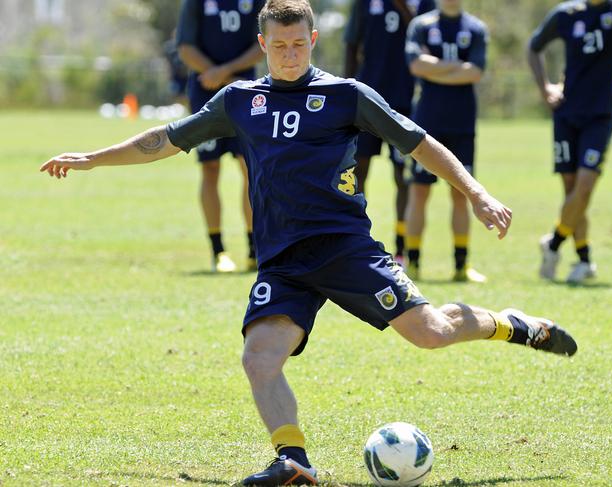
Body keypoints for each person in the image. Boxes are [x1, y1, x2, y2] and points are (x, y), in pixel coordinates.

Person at [41, 0, 578, 484]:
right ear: (263, 46)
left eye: (299, 43)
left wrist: (477, 192)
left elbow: (419, 143)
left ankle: (514, 324)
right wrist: (92, 158)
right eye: (279, 46)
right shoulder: (239, 101)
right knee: (260, 357)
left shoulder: (346, 96)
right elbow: (164, 139)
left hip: (346, 248)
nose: (290, 54)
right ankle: (292, 460)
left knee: (431, 333)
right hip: (282, 261)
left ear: (313, 39)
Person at [527, 0, 612, 283]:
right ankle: (584, 260)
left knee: (584, 187)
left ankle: (553, 243)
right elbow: (534, 47)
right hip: (566, 113)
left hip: (599, 115)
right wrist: (545, 88)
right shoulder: (566, 14)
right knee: (571, 190)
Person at [177, 0, 266, 272]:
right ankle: (219, 251)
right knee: (210, 168)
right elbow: (185, 47)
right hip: (205, 90)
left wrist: (225, 73)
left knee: (249, 168)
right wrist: (212, 73)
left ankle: (254, 249)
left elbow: (262, 44)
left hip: (247, 92)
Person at [343, 0, 435, 264]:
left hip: (405, 101)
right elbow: (352, 43)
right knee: (356, 172)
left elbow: (425, 41)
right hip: (365, 100)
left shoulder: (425, 4)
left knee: (402, 174)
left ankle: (402, 250)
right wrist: (345, 88)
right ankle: (357, 243)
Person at [404, 0, 488, 282]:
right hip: (427, 124)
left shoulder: (476, 28)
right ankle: (412, 263)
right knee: (419, 193)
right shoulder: (422, 25)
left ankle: (461, 266)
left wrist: (436, 68)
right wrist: (457, 69)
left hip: (462, 123)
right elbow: (416, 65)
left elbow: (476, 72)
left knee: (462, 194)